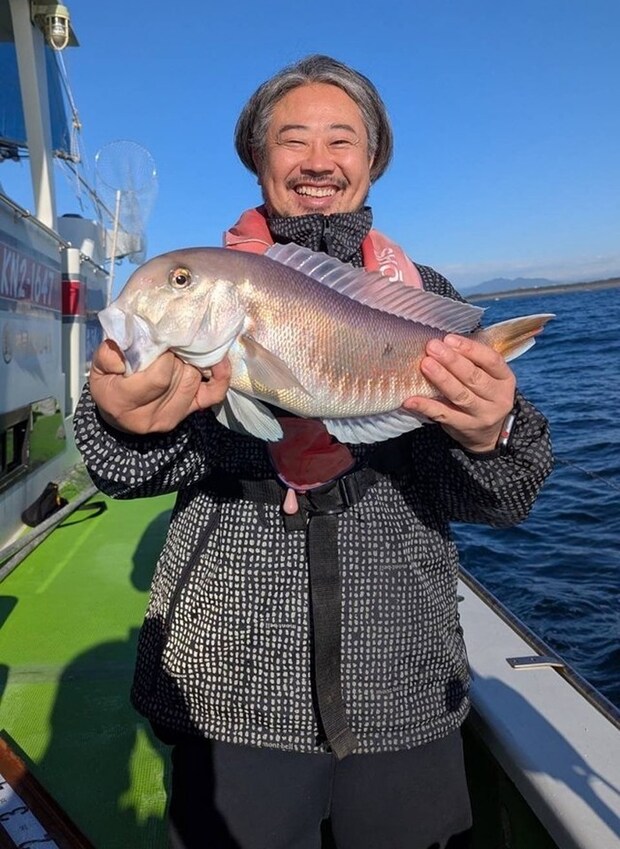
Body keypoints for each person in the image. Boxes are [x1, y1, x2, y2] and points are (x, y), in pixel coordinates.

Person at [73, 55, 553, 849]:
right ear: (258, 158)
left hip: (403, 676)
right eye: (292, 140)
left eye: (342, 140)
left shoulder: (425, 296)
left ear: (373, 158)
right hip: (233, 684)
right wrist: (127, 424)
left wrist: (488, 435)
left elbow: (511, 491)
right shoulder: (204, 307)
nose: (318, 161)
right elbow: (122, 472)